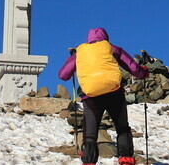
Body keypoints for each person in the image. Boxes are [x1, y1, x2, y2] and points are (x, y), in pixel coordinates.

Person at [58, 28, 148, 165]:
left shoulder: (80, 52)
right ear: (105, 37)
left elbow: (63, 75)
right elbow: (134, 69)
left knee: (90, 134)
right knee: (122, 128)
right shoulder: (112, 48)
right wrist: (144, 73)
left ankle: (88, 162)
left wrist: (73, 60)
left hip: (91, 97)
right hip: (114, 94)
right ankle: (126, 159)